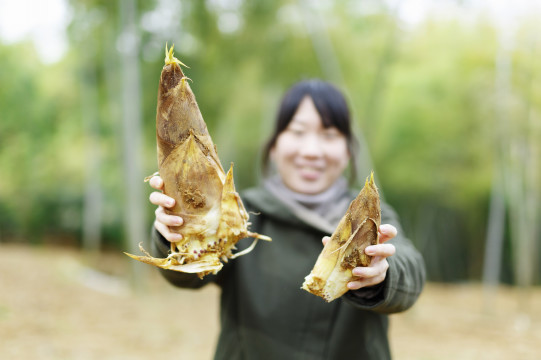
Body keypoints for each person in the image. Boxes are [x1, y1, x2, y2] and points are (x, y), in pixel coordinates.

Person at [148, 79, 426, 360]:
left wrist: (380, 275)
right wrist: (176, 231)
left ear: (348, 150)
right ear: (274, 146)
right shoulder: (241, 214)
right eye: (297, 132)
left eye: (329, 135)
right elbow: (188, 276)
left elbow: (409, 272)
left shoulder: (369, 219)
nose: (311, 151)